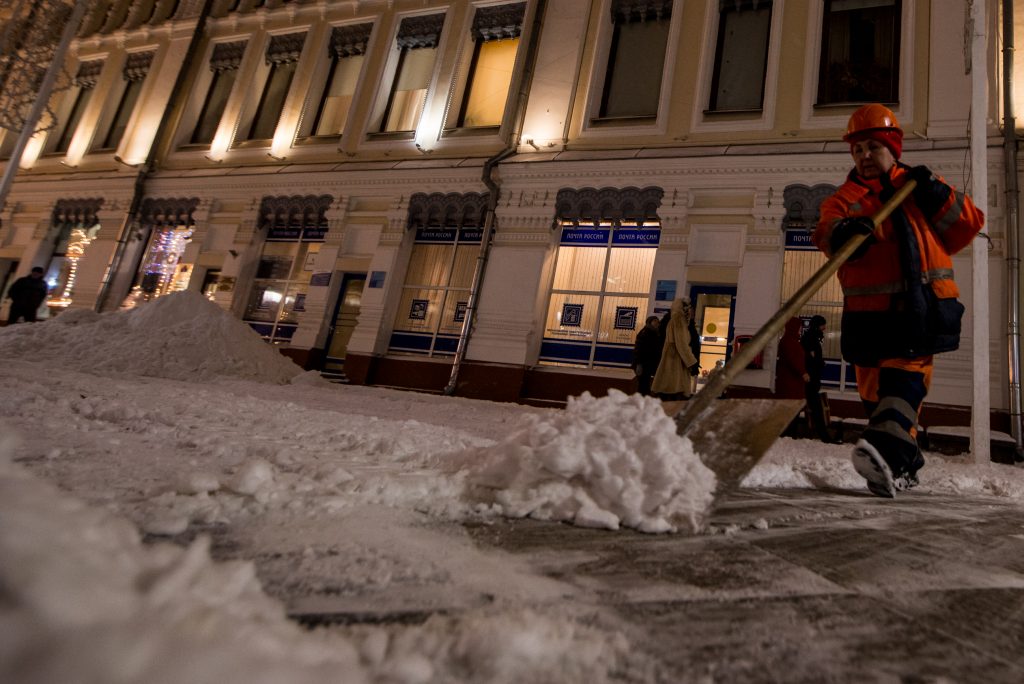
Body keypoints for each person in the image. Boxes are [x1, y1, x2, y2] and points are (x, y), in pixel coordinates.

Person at [814, 103, 984, 497]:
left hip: (919, 310)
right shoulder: (845, 199)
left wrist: (937, 193)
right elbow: (825, 234)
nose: (865, 156)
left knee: (903, 387)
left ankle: (884, 451)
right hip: (868, 318)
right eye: (857, 150)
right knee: (876, 399)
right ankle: (902, 467)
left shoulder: (918, 188)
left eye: (873, 146)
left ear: (893, 147)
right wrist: (843, 235)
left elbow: (968, 225)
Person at [652, 297, 699, 400]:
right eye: (690, 308)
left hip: (673, 359)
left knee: (669, 390)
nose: (692, 311)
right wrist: (692, 362)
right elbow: (681, 344)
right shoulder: (679, 320)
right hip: (675, 361)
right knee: (674, 391)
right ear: (685, 308)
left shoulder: (677, 319)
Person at [801, 315, 836, 443]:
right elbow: (810, 358)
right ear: (817, 325)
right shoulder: (810, 338)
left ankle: (823, 434)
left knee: (812, 405)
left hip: (812, 377)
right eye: (822, 325)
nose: (824, 328)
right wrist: (820, 363)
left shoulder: (812, 337)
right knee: (815, 407)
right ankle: (824, 435)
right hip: (811, 378)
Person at [775, 317, 806, 401]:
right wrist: (803, 373)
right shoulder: (789, 341)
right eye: (799, 326)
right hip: (789, 382)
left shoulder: (792, 340)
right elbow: (793, 360)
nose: (801, 328)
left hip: (791, 381)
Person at [631, 315, 661, 396]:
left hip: (648, 364)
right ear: (649, 322)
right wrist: (639, 364)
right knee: (643, 386)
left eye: (657, 321)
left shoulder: (655, 333)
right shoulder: (645, 332)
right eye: (654, 321)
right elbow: (638, 349)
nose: (656, 323)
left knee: (645, 384)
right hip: (643, 364)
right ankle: (641, 402)